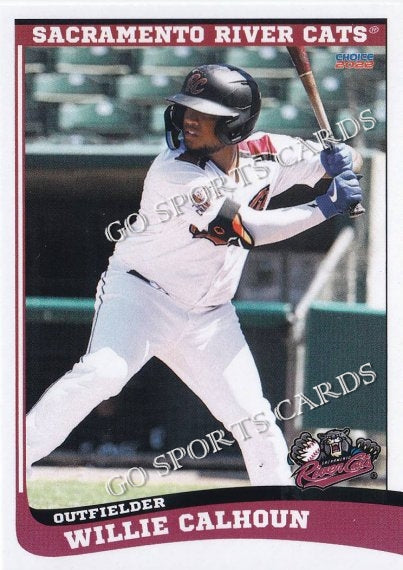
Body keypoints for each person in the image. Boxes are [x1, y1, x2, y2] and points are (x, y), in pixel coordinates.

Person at [26, 64, 363, 485]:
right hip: (142, 297)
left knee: (255, 420)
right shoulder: (175, 171)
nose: (189, 119)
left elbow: (347, 161)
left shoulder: (269, 151)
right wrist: (324, 207)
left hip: (209, 315)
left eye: (205, 113)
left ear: (236, 123)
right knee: (102, 374)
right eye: (187, 109)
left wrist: (342, 158)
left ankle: (279, 510)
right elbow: (247, 230)